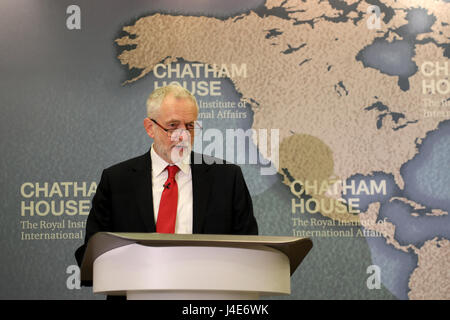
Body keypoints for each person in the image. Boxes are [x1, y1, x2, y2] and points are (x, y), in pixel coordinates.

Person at [75, 84, 258, 269]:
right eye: (172, 126)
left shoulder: (227, 178)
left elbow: (249, 251)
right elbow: (93, 250)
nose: (183, 136)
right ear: (150, 127)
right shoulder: (116, 181)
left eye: (190, 126)